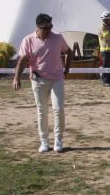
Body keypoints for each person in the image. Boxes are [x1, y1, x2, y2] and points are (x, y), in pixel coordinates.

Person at [12, 13, 73, 153]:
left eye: (51, 27)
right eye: (46, 28)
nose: (49, 30)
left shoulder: (57, 38)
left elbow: (69, 52)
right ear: (38, 27)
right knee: (42, 110)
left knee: (59, 109)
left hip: (57, 78)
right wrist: (17, 78)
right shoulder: (28, 40)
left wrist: (67, 70)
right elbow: (22, 60)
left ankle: (58, 139)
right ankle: (44, 141)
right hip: (38, 79)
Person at [98, 11, 110, 86]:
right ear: (105, 20)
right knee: (105, 65)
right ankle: (105, 81)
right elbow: (107, 37)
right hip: (105, 50)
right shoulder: (102, 28)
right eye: (109, 19)